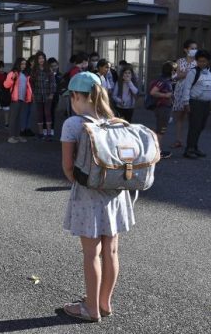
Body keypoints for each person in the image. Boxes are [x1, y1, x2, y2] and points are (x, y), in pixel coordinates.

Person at [60, 71, 134, 323]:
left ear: (78, 96)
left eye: (72, 96)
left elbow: (68, 167)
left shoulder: (73, 124)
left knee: (91, 253)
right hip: (115, 194)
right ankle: (104, 304)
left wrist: (81, 182)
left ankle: (90, 309)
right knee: (111, 251)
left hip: (88, 194)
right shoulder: (114, 121)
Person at [180, 50, 211, 159]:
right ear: (196, 61)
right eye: (199, 61)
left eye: (204, 61)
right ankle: (189, 149)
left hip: (206, 103)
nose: (202, 63)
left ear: (208, 61)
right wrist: (186, 103)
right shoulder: (193, 72)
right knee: (194, 126)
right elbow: (186, 88)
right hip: (195, 103)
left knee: (201, 126)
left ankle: (194, 147)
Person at [172, 39, 198, 149]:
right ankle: (178, 140)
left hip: (192, 91)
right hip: (179, 91)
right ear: (185, 49)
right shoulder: (179, 61)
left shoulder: (197, 62)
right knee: (179, 117)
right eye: (192, 48)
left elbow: (195, 76)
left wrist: (183, 74)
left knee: (191, 117)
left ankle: (191, 142)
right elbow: (176, 75)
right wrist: (186, 73)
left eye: (195, 48)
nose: (194, 50)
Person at [149, 61, 176, 159]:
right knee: (161, 130)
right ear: (171, 71)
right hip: (163, 108)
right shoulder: (163, 81)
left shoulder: (167, 80)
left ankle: (155, 148)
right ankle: (157, 151)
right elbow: (153, 92)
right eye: (175, 70)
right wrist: (165, 95)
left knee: (160, 129)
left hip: (164, 107)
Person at [3, 57, 32, 144]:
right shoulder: (13, 73)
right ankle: (11, 136)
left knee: (19, 118)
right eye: (22, 64)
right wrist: (12, 78)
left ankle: (17, 135)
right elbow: (6, 85)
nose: (23, 66)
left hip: (22, 98)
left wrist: (28, 97)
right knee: (13, 118)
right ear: (18, 64)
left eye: (24, 64)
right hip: (14, 99)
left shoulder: (24, 74)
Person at [31, 52, 57, 140]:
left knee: (47, 113)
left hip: (47, 95)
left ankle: (49, 133)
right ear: (37, 60)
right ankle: (40, 133)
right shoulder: (34, 70)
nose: (41, 60)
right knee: (39, 114)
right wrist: (33, 93)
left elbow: (53, 82)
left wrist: (52, 93)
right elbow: (32, 83)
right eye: (39, 58)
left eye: (42, 58)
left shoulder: (48, 69)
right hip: (38, 95)